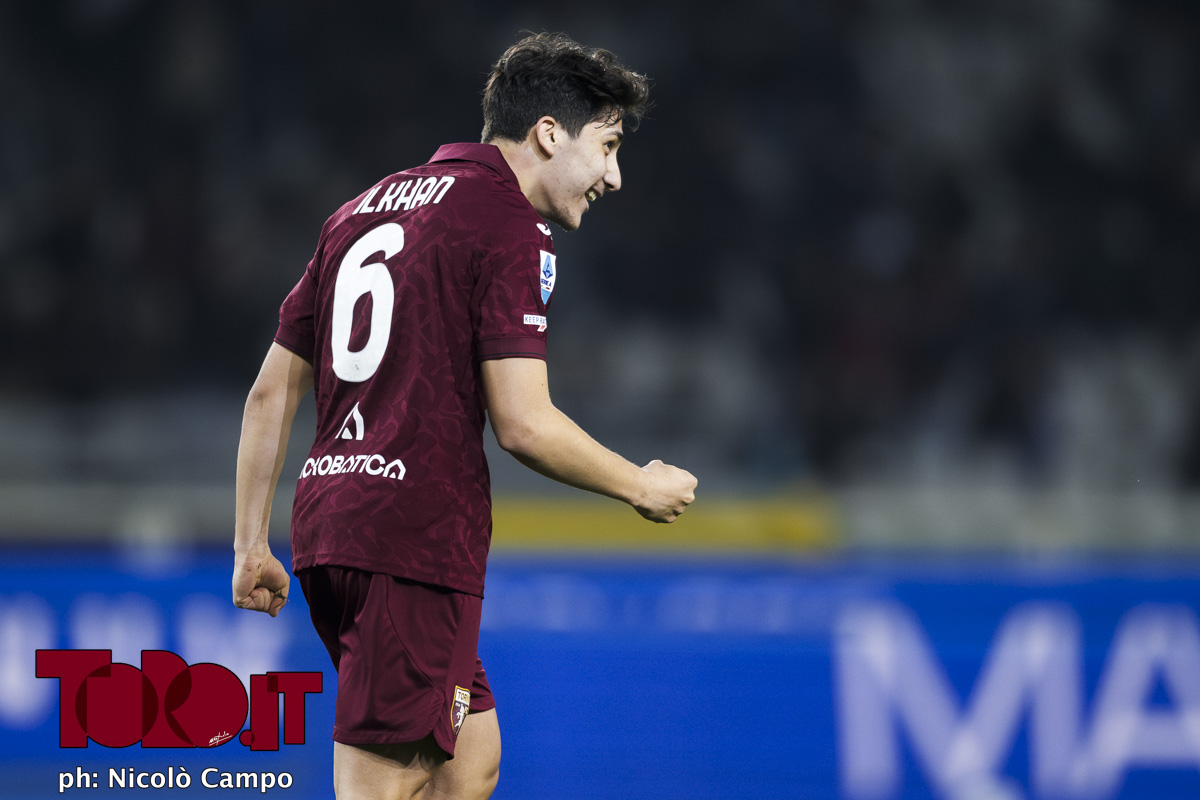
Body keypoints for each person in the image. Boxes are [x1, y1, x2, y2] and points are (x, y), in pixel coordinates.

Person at [231, 31, 697, 800]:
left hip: (330, 529)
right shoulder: (507, 223)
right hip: (410, 543)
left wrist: (251, 542)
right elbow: (523, 423)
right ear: (548, 134)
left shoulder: (358, 212)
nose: (614, 176)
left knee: (470, 757)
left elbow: (269, 393)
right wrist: (637, 485)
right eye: (608, 146)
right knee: (382, 781)